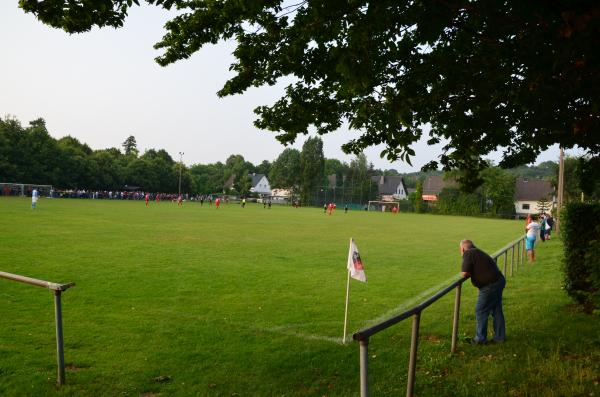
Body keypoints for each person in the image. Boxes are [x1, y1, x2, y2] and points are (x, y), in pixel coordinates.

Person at [460, 239, 506, 344]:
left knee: (480, 310)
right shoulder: (476, 251)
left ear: (463, 248)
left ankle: (480, 339)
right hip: (498, 281)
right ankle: (500, 338)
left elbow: (464, 273)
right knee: (496, 309)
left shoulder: (468, 253)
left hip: (490, 285)